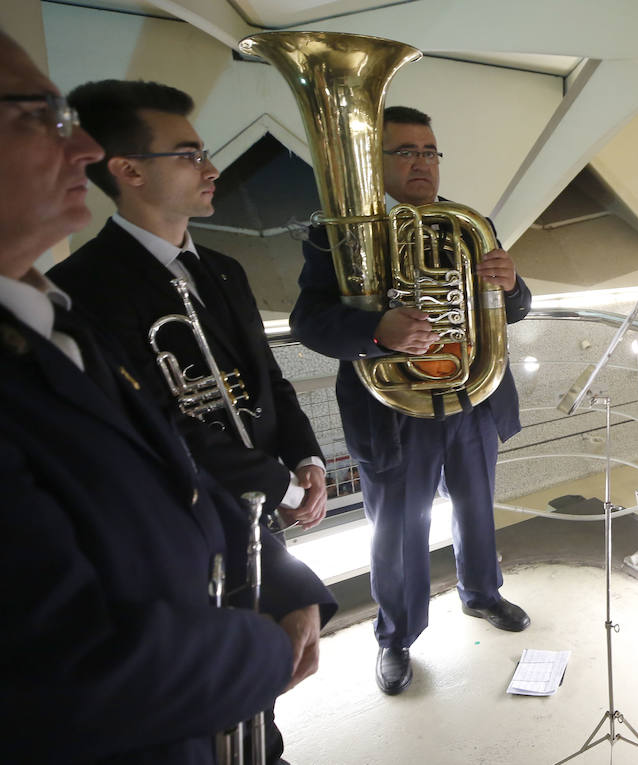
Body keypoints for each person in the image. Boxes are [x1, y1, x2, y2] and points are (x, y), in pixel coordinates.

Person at [0, 32, 334, 762]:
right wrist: (260, 648)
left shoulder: (64, 306)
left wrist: (301, 466)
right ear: (132, 173)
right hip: (147, 705)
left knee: (255, 739)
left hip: (236, 546)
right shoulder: (88, 287)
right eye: (39, 116)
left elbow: (244, 396)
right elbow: (68, 665)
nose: (78, 148)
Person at [291, 105, 533, 696]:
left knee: (478, 509)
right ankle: (396, 636)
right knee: (397, 531)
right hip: (393, 411)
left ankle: (482, 593)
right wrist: (379, 332)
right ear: (377, 163)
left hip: (471, 401)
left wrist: (511, 284)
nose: (422, 162)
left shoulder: (468, 224)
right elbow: (309, 321)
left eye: (429, 151)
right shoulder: (341, 234)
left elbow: (513, 311)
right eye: (405, 152)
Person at [49, 79, 328, 532]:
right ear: (130, 171)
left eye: (205, 153)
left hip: (259, 506)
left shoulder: (225, 269)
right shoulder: (80, 286)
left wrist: (305, 457)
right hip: (180, 515)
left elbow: (267, 377)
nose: (212, 169)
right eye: (190, 156)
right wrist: (282, 487)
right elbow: (156, 422)